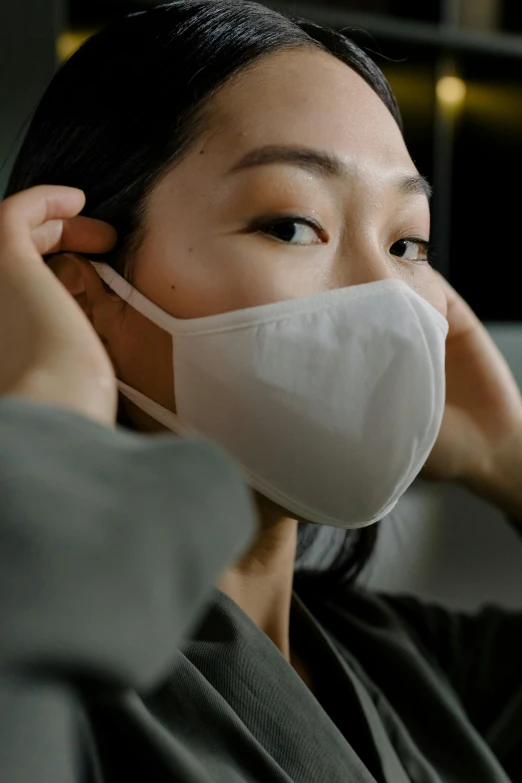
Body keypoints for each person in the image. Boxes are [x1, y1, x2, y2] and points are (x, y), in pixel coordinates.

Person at [1, 1, 522, 781]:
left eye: (407, 242)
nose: (390, 299)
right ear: (82, 294)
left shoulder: (401, 661)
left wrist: (508, 456)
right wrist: (50, 403)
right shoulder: (63, 668)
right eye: (290, 225)